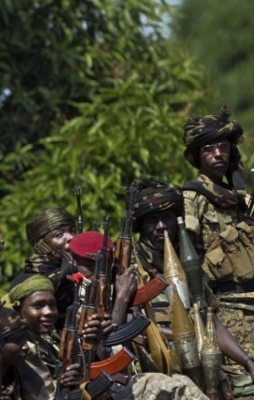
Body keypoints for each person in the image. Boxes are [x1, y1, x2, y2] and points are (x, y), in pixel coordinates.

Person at [132, 178, 254, 397]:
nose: (161, 227)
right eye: (152, 221)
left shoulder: (187, 264)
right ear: (141, 226)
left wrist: (247, 361)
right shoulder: (132, 269)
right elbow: (133, 331)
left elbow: (212, 322)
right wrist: (185, 336)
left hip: (205, 370)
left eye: (167, 218)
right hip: (161, 376)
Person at [69, 230, 210, 399]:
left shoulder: (109, 289)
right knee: (173, 387)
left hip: (122, 376)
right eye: (90, 266)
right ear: (74, 262)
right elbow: (111, 348)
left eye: (103, 266)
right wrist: (121, 299)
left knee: (184, 383)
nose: (98, 273)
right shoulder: (75, 296)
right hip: (95, 384)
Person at [181, 107, 254, 396]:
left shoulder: (241, 199)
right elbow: (185, 255)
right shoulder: (193, 198)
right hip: (225, 307)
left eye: (223, 147)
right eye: (209, 149)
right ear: (197, 155)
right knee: (244, 385)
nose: (218, 154)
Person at [24, 206, 78, 326]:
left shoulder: (79, 264)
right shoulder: (33, 277)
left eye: (72, 230)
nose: (71, 237)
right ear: (41, 245)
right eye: (59, 235)